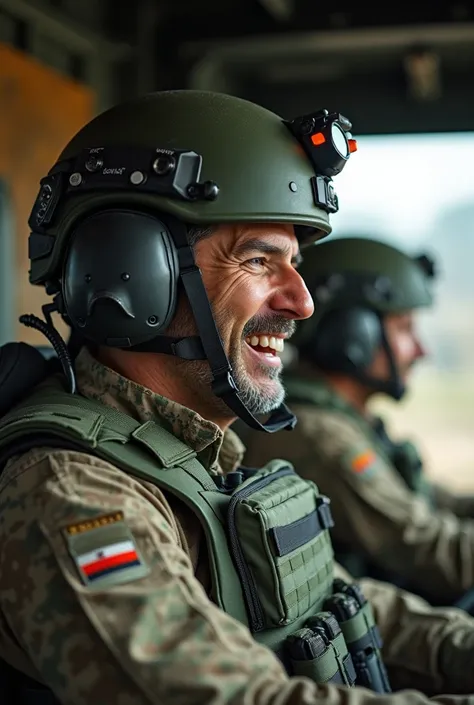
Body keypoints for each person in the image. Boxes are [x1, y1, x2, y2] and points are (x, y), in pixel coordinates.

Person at [0, 91, 473, 705]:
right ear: (132, 272)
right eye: (258, 260)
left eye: (296, 264)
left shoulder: (192, 452)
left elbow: (347, 603)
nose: (302, 302)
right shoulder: (70, 489)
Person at [239, 236, 474, 610]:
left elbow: (428, 498)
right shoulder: (320, 436)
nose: (421, 350)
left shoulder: (345, 419)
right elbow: (439, 555)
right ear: (352, 336)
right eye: (404, 329)